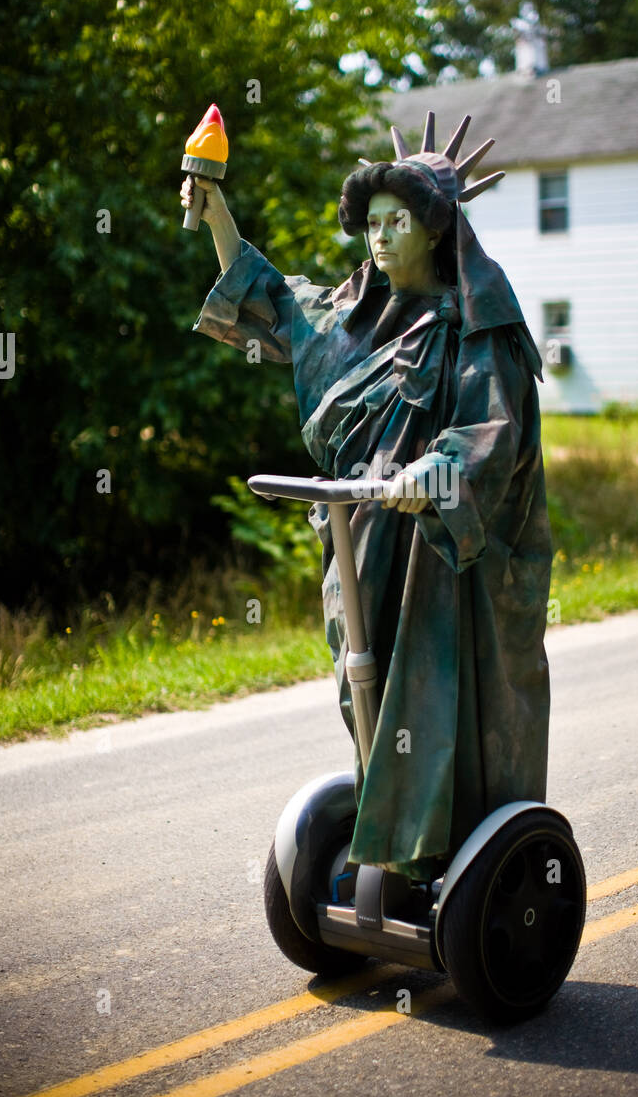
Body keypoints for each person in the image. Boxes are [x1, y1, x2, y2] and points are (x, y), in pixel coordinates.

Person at [182, 113, 554, 882]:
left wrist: (438, 470)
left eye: (398, 221)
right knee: (365, 684)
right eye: (372, 223)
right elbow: (278, 302)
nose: (379, 237)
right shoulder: (358, 315)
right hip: (360, 539)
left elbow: (493, 430)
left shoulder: (480, 328)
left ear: (435, 229)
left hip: (449, 560)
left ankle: (446, 857)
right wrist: (218, 216)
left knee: (438, 696)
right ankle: (391, 844)